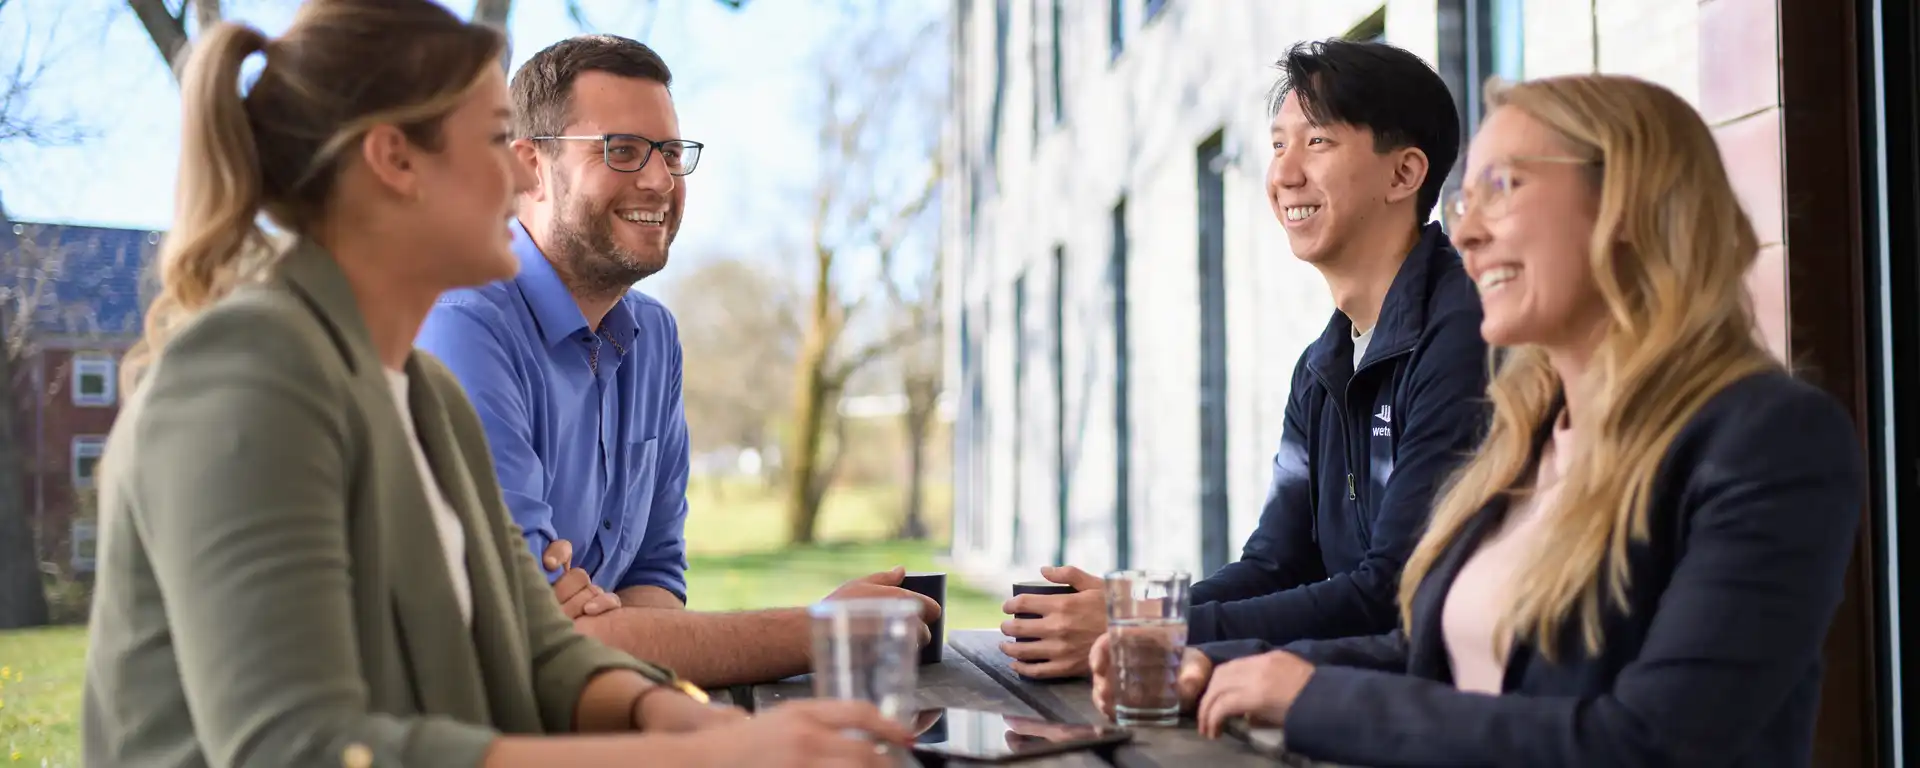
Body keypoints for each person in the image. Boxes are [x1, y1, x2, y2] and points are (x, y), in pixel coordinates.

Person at [81, 3, 908, 766]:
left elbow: (540, 647)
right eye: (494, 140)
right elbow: (300, 747)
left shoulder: (426, 395)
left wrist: (678, 716)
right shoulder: (249, 381)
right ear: (395, 160)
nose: (521, 180)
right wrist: (697, 755)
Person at [1092, 73, 1866, 767]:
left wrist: (1308, 698)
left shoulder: (1769, 439)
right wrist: (1231, 664)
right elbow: (1431, 657)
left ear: (1627, 202)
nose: (1463, 232)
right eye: (1466, 202)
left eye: (1505, 187)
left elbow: (1650, 743)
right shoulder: (1525, 437)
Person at [412, 33, 938, 688]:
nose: (660, 180)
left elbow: (653, 578)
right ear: (529, 168)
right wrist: (824, 631)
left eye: (669, 152)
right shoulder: (462, 322)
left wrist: (603, 633)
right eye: (622, 151)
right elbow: (536, 636)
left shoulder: (653, 337)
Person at [1002, 38, 1488, 678]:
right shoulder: (1323, 364)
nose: (1285, 174)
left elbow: (1392, 592)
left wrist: (1152, 631)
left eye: (1317, 143)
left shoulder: (1465, 332)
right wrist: (1134, 612)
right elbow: (1275, 566)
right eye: (1277, 145)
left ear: (1404, 174)